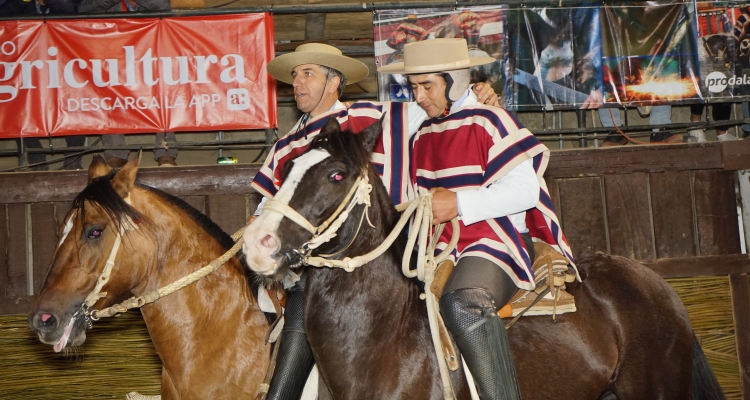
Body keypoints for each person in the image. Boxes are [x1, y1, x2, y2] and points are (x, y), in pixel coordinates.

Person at [250, 42, 500, 399]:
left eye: (309, 73)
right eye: (295, 75)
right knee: (301, 290)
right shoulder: (286, 146)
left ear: (334, 82)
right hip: (314, 259)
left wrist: (475, 96)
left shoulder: (379, 116)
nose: (298, 83)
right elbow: (265, 209)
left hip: (389, 249)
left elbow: (443, 105)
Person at [379, 38, 577, 399]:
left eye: (427, 86)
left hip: (494, 239)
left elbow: (525, 192)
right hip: (437, 245)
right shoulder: (421, 132)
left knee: (463, 302)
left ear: (454, 82)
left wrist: (458, 203)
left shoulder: (491, 120)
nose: (419, 96)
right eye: (413, 87)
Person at [76, 0, 176, 167]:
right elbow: (84, 7)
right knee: (107, 93)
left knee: (163, 92)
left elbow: (163, 5)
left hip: (150, 47)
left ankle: (166, 152)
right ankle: (116, 152)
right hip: (111, 48)